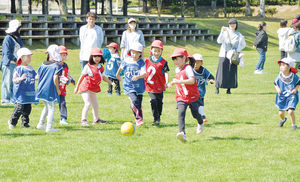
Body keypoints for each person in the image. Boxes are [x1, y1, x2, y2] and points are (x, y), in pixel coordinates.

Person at [167, 48, 204, 143]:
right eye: (173, 59)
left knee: (195, 114)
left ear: (184, 58)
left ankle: (200, 122)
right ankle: (182, 133)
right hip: (181, 97)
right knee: (181, 113)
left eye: (177, 59)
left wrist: (179, 81)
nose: (175, 61)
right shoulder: (176, 69)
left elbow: (192, 80)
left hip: (192, 96)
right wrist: (172, 83)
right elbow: (178, 79)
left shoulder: (188, 68)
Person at [74, 48, 116, 126]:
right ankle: (83, 120)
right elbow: (81, 77)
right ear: (91, 57)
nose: (97, 59)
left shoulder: (100, 67)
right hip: (85, 87)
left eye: (99, 57)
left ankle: (96, 119)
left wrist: (111, 82)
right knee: (88, 103)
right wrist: (77, 87)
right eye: (95, 56)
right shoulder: (88, 66)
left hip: (92, 89)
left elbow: (103, 78)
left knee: (95, 105)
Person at [8, 48, 39, 129]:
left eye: (30, 57)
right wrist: (20, 79)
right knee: (19, 107)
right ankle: (12, 122)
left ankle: (25, 123)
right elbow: (14, 80)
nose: (30, 59)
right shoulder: (18, 69)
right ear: (21, 57)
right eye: (28, 57)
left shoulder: (31, 68)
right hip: (21, 91)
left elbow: (34, 76)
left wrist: (38, 76)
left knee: (28, 108)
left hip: (29, 91)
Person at [116, 42, 146, 126]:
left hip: (139, 86)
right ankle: (138, 119)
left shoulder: (141, 63)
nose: (135, 55)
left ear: (140, 53)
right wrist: (117, 75)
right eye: (133, 52)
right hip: (128, 85)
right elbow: (121, 67)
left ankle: (139, 118)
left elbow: (144, 74)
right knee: (135, 101)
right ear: (130, 52)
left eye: (137, 53)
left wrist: (138, 76)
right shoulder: (126, 61)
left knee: (139, 104)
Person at [215, 18, 246, 95]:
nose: (232, 25)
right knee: (221, 71)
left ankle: (228, 89)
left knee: (231, 71)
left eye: (233, 24)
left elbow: (243, 44)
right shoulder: (225, 32)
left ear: (236, 25)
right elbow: (219, 41)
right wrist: (222, 32)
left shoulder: (239, 35)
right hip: (224, 54)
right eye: (230, 24)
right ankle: (217, 88)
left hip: (232, 55)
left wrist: (237, 50)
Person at [36, 45, 63, 132]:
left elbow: (37, 76)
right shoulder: (57, 66)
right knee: (51, 108)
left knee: (46, 107)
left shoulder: (43, 64)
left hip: (41, 89)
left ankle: (41, 124)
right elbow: (55, 78)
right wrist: (58, 89)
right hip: (49, 89)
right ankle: (49, 127)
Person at [144, 40, 169, 126]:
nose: (156, 53)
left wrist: (167, 82)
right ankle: (156, 119)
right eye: (155, 51)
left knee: (159, 102)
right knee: (153, 101)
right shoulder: (147, 60)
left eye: (159, 51)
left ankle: (158, 116)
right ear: (151, 50)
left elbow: (166, 72)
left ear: (161, 51)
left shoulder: (163, 62)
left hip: (159, 86)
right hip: (150, 86)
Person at [1, 19, 23, 105]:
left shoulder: (19, 38)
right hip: (9, 63)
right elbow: (7, 53)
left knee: (14, 82)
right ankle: (5, 99)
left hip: (16, 63)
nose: (20, 30)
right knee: (7, 81)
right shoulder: (8, 38)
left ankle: (12, 98)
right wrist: (16, 59)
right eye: (19, 28)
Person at [275, 58, 299, 130]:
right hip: (282, 96)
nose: (281, 67)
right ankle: (283, 119)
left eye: (283, 65)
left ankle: (293, 125)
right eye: (280, 65)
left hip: (291, 96)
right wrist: (278, 89)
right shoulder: (279, 76)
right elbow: (275, 83)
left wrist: (295, 89)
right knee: (281, 113)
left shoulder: (293, 76)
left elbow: (298, 82)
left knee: (290, 111)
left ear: (289, 67)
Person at [190, 53, 215, 123]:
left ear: (201, 63)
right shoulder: (190, 70)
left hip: (201, 91)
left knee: (201, 103)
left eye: (197, 63)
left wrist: (211, 80)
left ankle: (202, 115)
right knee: (194, 104)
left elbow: (210, 76)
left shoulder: (204, 70)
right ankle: (200, 115)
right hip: (192, 91)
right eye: (194, 63)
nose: (195, 65)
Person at [58, 45, 75, 125]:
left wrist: (71, 79)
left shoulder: (65, 66)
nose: (62, 57)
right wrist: (64, 79)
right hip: (55, 88)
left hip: (62, 89)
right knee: (51, 105)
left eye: (64, 55)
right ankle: (49, 117)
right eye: (61, 55)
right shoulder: (55, 65)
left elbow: (67, 74)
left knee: (63, 103)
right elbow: (56, 77)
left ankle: (63, 118)